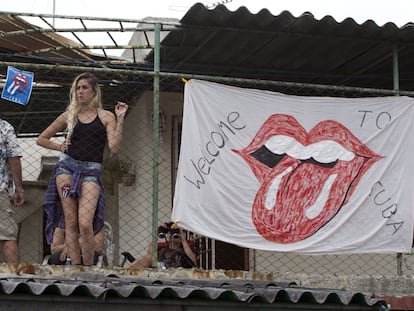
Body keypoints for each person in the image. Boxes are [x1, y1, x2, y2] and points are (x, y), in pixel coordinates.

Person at [37, 72, 128, 266]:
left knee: (85, 224)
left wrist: (120, 119)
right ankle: (76, 268)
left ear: (94, 91)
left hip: (92, 171)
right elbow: (41, 138)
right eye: (77, 88)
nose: (80, 92)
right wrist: (59, 147)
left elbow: (114, 148)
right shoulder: (70, 115)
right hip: (66, 168)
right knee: (70, 222)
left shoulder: (106, 116)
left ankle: (87, 269)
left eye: (84, 87)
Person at [0, 119, 24, 263]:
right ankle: (14, 279)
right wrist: (19, 189)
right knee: (7, 236)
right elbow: (14, 158)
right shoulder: (4, 127)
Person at [127, 222, 198, 269]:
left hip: (177, 269)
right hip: (160, 268)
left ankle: (126, 271)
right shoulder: (161, 248)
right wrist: (156, 233)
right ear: (169, 234)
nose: (177, 234)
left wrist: (183, 239)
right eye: (174, 231)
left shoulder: (186, 249)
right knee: (149, 257)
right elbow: (149, 255)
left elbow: (193, 261)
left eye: (182, 232)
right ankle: (127, 271)